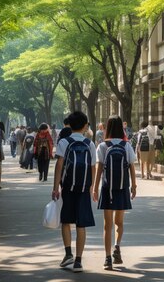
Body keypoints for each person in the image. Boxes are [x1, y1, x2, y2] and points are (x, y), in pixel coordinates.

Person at [53, 111, 96, 273]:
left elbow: (59, 166)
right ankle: (78, 261)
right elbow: (93, 167)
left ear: (70, 125)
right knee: (81, 223)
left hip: (68, 188)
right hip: (84, 188)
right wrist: (92, 187)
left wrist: (55, 187)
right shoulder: (89, 143)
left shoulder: (64, 142)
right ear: (85, 126)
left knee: (66, 221)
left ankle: (68, 254)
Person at [93, 115, 137, 270]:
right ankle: (117, 247)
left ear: (107, 127)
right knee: (119, 222)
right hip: (122, 187)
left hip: (107, 188)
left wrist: (95, 187)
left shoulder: (103, 146)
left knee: (107, 225)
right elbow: (132, 166)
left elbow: (99, 168)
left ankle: (107, 259)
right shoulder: (127, 146)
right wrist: (134, 186)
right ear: (121, 128)